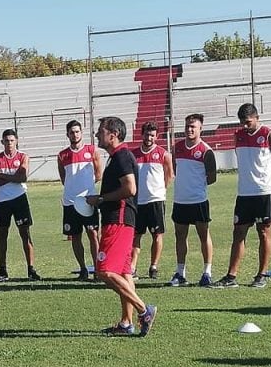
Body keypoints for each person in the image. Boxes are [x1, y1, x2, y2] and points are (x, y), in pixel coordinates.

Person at [86, 117, 157, 337]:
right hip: (119, 219)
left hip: (119, 220)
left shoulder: (123, 156)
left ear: (113, 134)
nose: (97, 135)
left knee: (104, 270)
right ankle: (126, 324)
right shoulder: (116, 157)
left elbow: (130, 188)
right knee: (123, 273)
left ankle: (144, 310)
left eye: (100, 131)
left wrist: (101, 199)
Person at [213, 103, 271, 288]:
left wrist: (270, 177)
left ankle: (262, 275)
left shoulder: (269, 134)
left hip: (263, 192)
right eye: (242, 123)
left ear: (257, 118)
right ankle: (231, 276)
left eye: (248, 122)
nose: (244, 126)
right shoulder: (238, 135)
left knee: (263, 232)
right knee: (238, 232)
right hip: (244, 192)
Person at [169, 113, 217, 287]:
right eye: (187, 126)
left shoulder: (206, 150)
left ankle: (207, 273)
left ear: (200, 128)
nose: (189, 129)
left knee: (203, 235)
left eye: (193, 126)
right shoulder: (177, 147)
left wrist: (196, 187)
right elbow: (175, 169)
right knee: (180, 236)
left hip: (198, 200)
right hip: (180, 200)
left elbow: (212, 177)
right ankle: (180, 273)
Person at [0, 128, 41, 281]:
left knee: (25, 234)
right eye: (6, 141)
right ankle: (3, 270)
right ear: (2, 142)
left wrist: (3, 175)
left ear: (16, 141)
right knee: (2, 235)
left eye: (12, 141)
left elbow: (23, 177)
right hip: (2, 201)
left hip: (19, 199)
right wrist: (14, 176)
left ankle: (31, 269)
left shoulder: (23, 156)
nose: (9, 144)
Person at [57, 120, 102, 281]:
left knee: (93, 234)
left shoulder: (92, 150)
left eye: (77, 131)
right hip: (70, 203)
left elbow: (98, 174)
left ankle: (97, 269)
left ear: (81, 133)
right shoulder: (62, 155)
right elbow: (64, 178)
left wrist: (87, 190)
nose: (75, 135)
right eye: (71, 132)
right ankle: (83, 268)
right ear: (67, 134)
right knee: (75, 236)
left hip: (88, 201)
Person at [130, 121, 173, 280]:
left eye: (152, 135)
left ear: (157, 136)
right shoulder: (133, 155)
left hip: (156, 200)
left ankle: (153, 266)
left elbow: (169, 176)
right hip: (137, 202)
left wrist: (160, 191)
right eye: (147, 134)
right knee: (136, 236)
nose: (149, 137)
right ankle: (132, 267)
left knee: (157, 235)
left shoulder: (163, 154)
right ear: (142, 135)